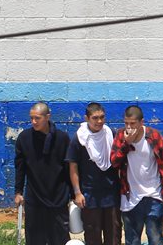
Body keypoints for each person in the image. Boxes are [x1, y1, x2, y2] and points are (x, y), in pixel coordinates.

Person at [110, 105, 163, 245]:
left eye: (132, 123)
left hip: (154, 196)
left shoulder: (154, 136)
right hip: (130, 197)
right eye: (126, 123)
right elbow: (114, 162)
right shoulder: (121, 136)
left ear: (141, 122)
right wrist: (126, 144)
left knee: (155, 238)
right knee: (132, 240)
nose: (129, 127)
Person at [14, 103, 72, 245]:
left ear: (48, 117)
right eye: (31, 118)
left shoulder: (62, 138)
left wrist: (72, 194)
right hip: (35, 199)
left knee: (59, 239)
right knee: (35, 239)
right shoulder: (24, 138)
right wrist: (18, 192)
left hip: (58, 199)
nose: (34, 122)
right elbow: (20, 168)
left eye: (37, 118)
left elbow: (68, 168)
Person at [68, 103, 121, 245]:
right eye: (95, 118)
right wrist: (77, 193)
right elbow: (73, 167)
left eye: (102, 117)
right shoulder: (79, 139)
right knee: (92, 236)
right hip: (90, 196)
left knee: (114, 235)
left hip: (111, 194)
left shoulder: (111, 134)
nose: (99, 121)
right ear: (87, 118)